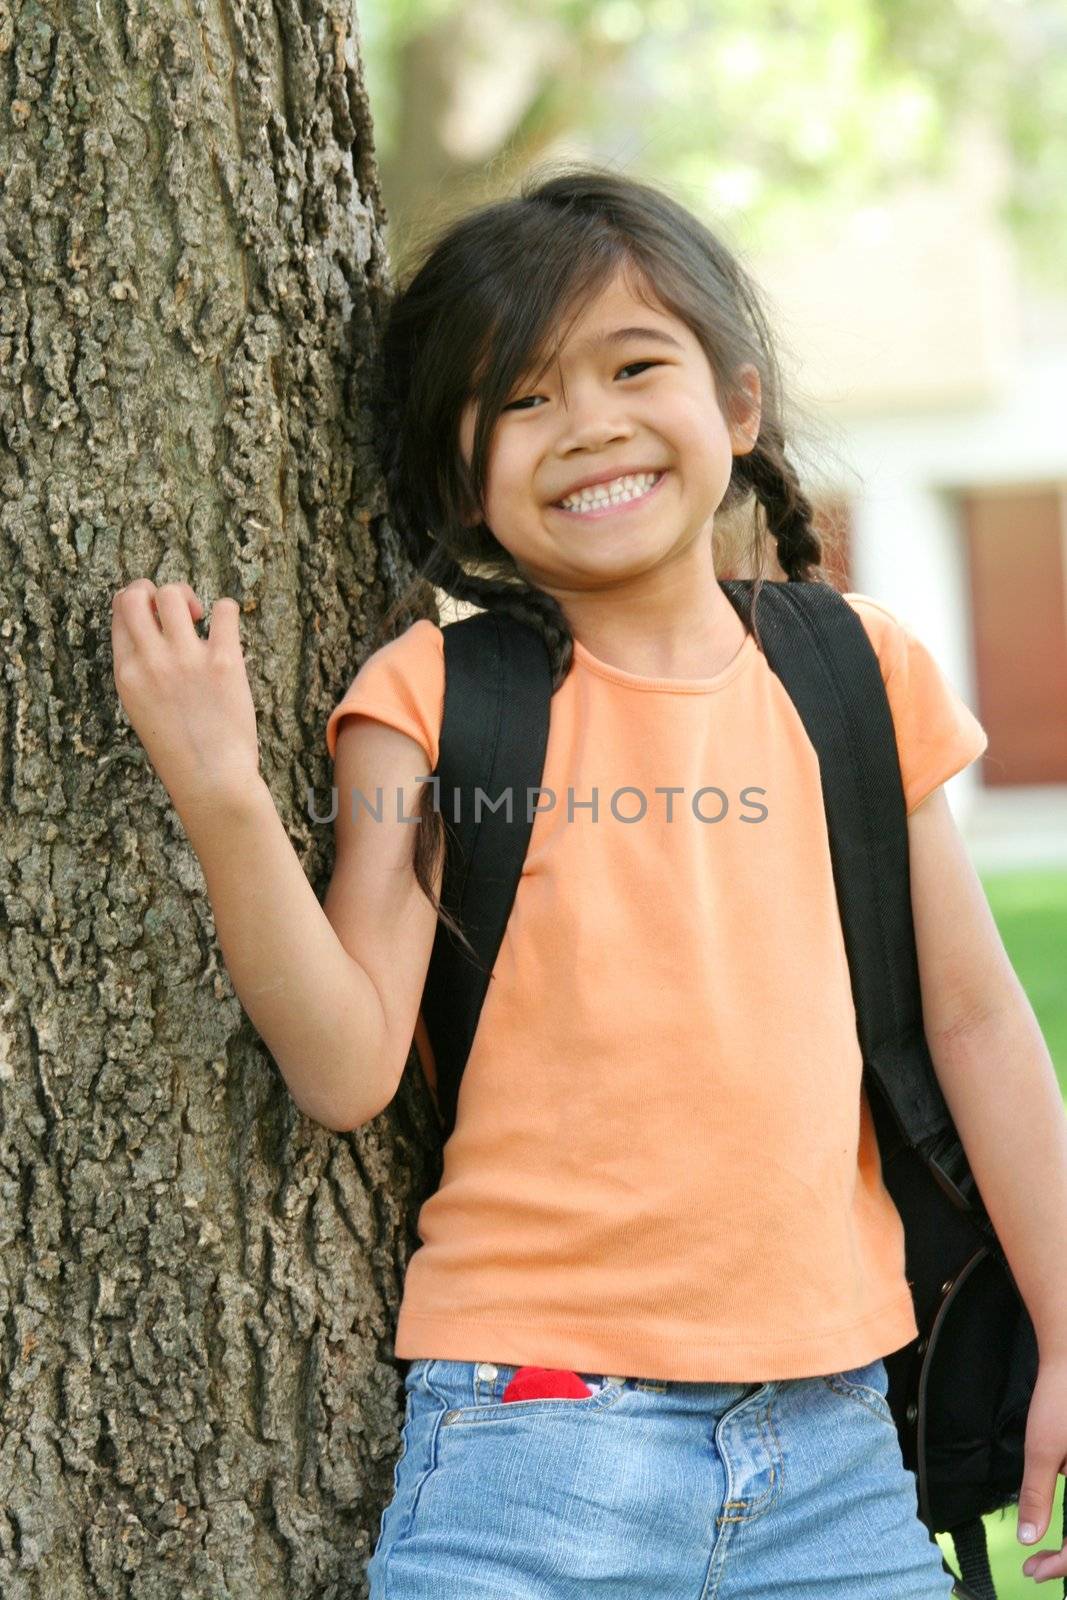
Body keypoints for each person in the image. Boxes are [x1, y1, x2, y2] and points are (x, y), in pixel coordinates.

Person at [110, 164, 1067, 1597]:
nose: (591, 425)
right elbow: (347, 1064)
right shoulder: (432, 697)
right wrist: (222, 792)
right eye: (524, 399)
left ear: (736, 406)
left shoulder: (857, 670)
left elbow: (980, 1027)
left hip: (840, 1453)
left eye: (635, 365)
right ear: (465, 480)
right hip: (529, 1444)